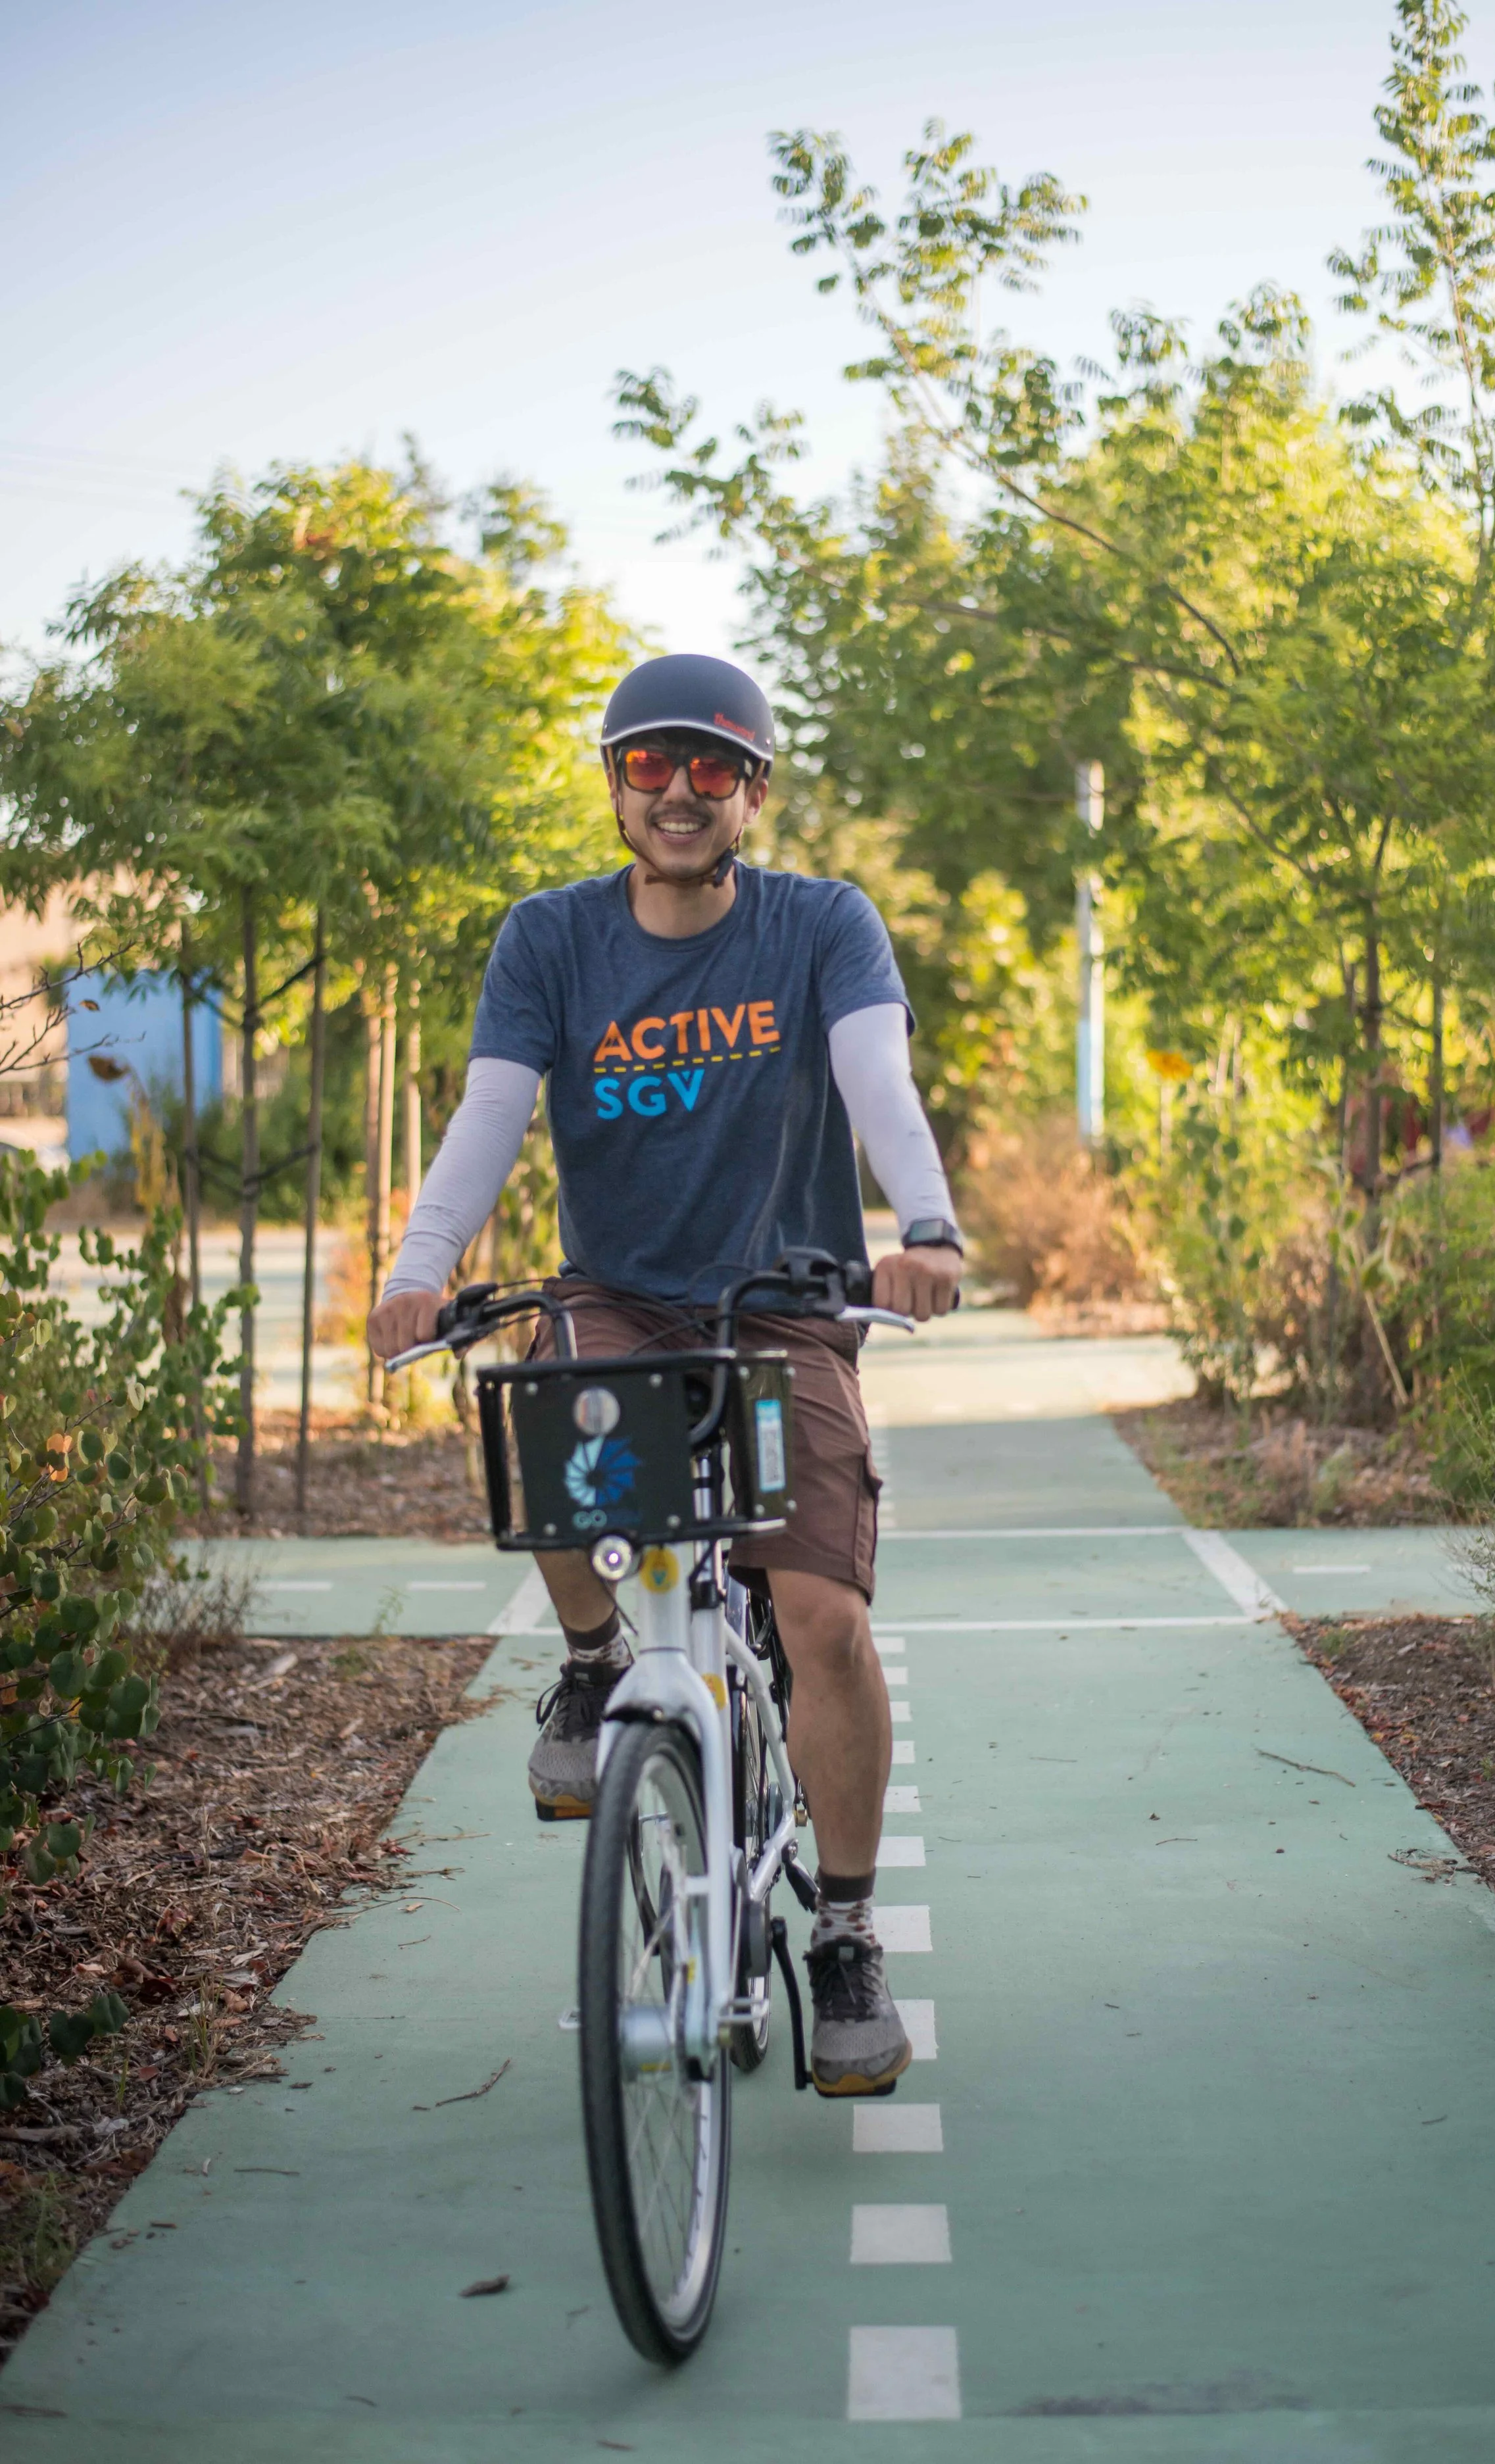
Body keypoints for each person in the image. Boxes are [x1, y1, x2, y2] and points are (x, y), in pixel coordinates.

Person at [367, 652, 963, 2096]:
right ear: (614, 784)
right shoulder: (550, 939)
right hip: (623, 1297)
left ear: (752, 790)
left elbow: (877, 1083)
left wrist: (925, 1226)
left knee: (817, 1616)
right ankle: (589, 1670)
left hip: (782, 1303)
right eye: (650, 765)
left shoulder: (822, 926)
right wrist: (418, 1261)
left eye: (711, 767)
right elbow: (490, 1112)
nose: (679, 792)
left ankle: (840, 1931)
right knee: (538, 1414)